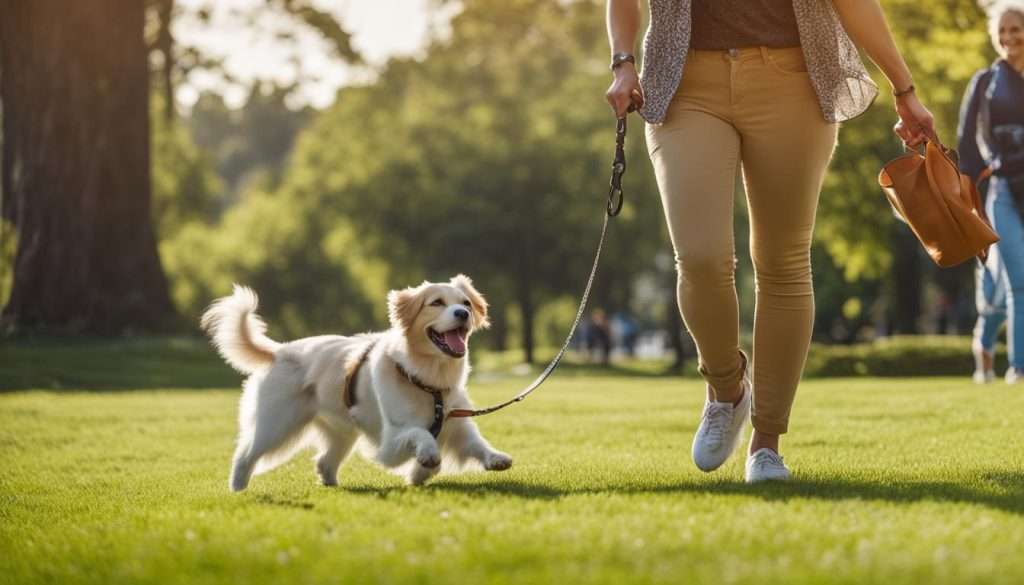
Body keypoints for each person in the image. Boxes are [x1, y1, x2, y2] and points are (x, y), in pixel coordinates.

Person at [605, 0, 936, 482]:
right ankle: (726, 390)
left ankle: (767, 443)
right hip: (685, 83)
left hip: (795, 78)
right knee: (700, 257)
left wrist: (903, 89)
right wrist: (623, 61)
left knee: (783, 262)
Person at [960, 1, 1024, 385]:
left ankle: (984, 339)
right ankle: (1019, 367)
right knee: (1019, 280)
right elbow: (967, 143)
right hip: (1001, 191)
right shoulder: (985, 83)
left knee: (1003, 288)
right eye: (1002, 31)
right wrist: (969, 197)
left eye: (1015, 29)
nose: (1009, 37)